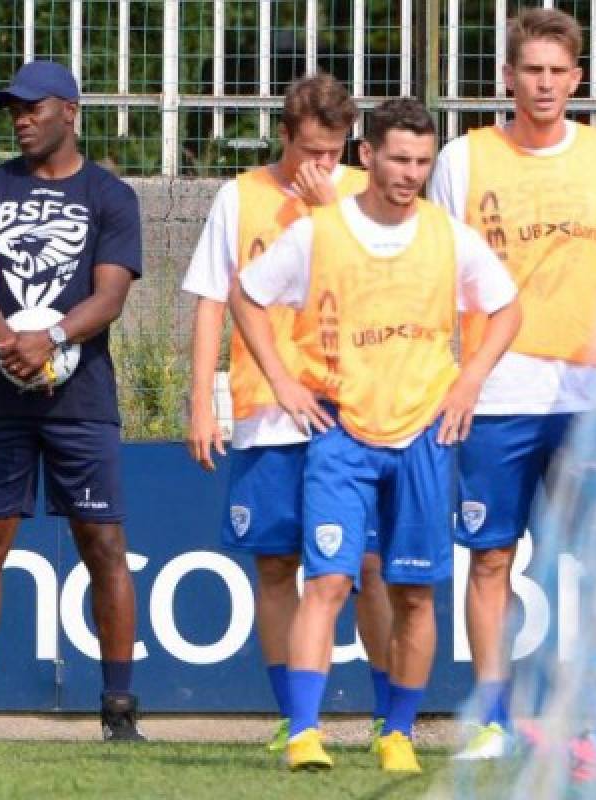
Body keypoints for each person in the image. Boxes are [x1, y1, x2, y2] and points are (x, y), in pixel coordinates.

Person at [229, 97, 521, 772]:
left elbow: (506, 307)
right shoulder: (320, 232)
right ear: (369, 157)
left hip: (423, 433)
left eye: (422, 161)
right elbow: (246, 294)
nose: (410, 173)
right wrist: (281, 378)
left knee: (414, 593)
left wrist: (470, 379)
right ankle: (303, 733)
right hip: (341, 433)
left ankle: (397, 734)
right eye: (398, 158)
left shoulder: (450, 235)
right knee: (327, 581)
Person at [427, 7, 596, 760]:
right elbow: (438, 275)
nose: (545, 84)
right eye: (532, 71)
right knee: (489, 558)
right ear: (507, 76)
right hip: (493, 395)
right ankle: (491, 715)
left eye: (558, 71)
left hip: (589, 397)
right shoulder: (463, 157)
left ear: (578, 78)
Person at [0, 60, 145, 742]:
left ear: (70, 112)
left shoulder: (112, 197)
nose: (19, 119)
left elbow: (109, 295)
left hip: (80, 397)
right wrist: (9, 343)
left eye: (32, 108)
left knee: (103, 545)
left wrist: (49, 337)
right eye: (11, 110)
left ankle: (117, 713)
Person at [181, 73, 392, 752]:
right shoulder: (240, 197)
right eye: (309, 151)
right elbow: (213, 300)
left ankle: (393, 717)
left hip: (352, 411)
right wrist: (200, 402)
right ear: (285, 137)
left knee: (365, 566)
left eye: (333, 152)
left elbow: (392, 292)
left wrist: (331, 207)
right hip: (266, 410)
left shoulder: (366, 198)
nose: (320, 165)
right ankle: (291, 715)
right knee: (274, 566)